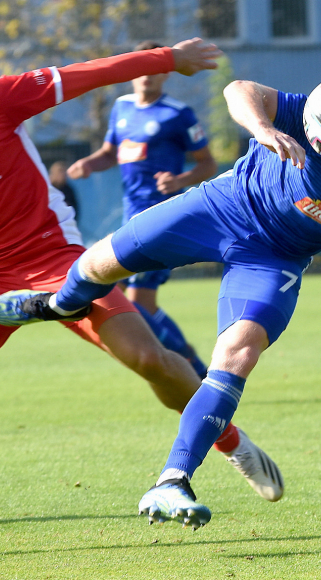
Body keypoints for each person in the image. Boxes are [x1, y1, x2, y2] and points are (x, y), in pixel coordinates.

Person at [0, 29, 282, 566]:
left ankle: (229, 440)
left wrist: (169, 59)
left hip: (58, 262)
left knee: (149, 360)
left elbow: (86, 74)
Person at [0, 79, 321, 530]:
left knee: (237, 354)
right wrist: (263, 129)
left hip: (274, 259)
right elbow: (239, 90)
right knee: (99, 263)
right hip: (224, 205)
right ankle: (62, 305)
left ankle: (173, 481)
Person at [67, 40, 218, 379]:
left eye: (155, 69)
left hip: (163, 218)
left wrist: (180, 180)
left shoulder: (178, 114)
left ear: (166, 74)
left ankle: (195, 370)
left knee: (137, 301)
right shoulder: (121, 108)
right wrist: (90, 164)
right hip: (130, 217)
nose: (147, 76)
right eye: (141, 68)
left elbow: (207, 164)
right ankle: (193, 369)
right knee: (136, 301)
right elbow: (110, 152)